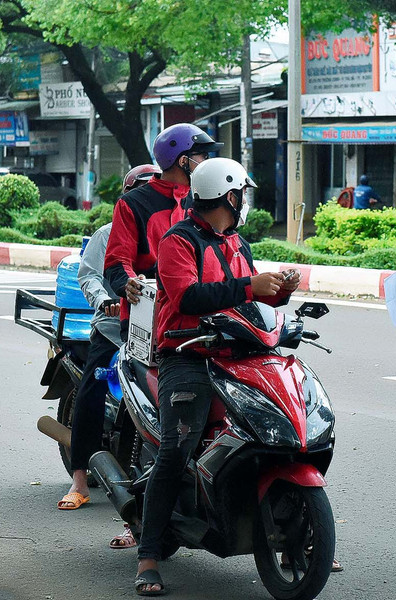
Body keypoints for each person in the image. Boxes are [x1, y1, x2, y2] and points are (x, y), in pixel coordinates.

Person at [134, 158, 300, 595]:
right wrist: (250, 287)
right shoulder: (178, 241)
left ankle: (295, 539)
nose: (245, 201)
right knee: (176, 450)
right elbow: (187, 297)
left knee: (279, 433)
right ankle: (148, 555)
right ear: (230, 197)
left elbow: (248, 299)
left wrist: (279, 290)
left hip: (237, 353)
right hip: (186, 355)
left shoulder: (236, 243)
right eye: (242, 194)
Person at [57, 165, 161, 546]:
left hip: (156, 336)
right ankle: (80, 481)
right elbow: (89, 276)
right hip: (114, 330)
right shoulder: (107, 234)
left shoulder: (171, 232)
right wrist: (106, 301)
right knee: (91, 392)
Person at [104, 123, 223, 335]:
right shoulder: (132, 203)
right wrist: (129, 283)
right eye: (203, 156)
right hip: (145, 314)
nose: (207, 163)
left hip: (199, 312)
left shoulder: (203, 201)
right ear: (183, 161)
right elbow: (117, 261)